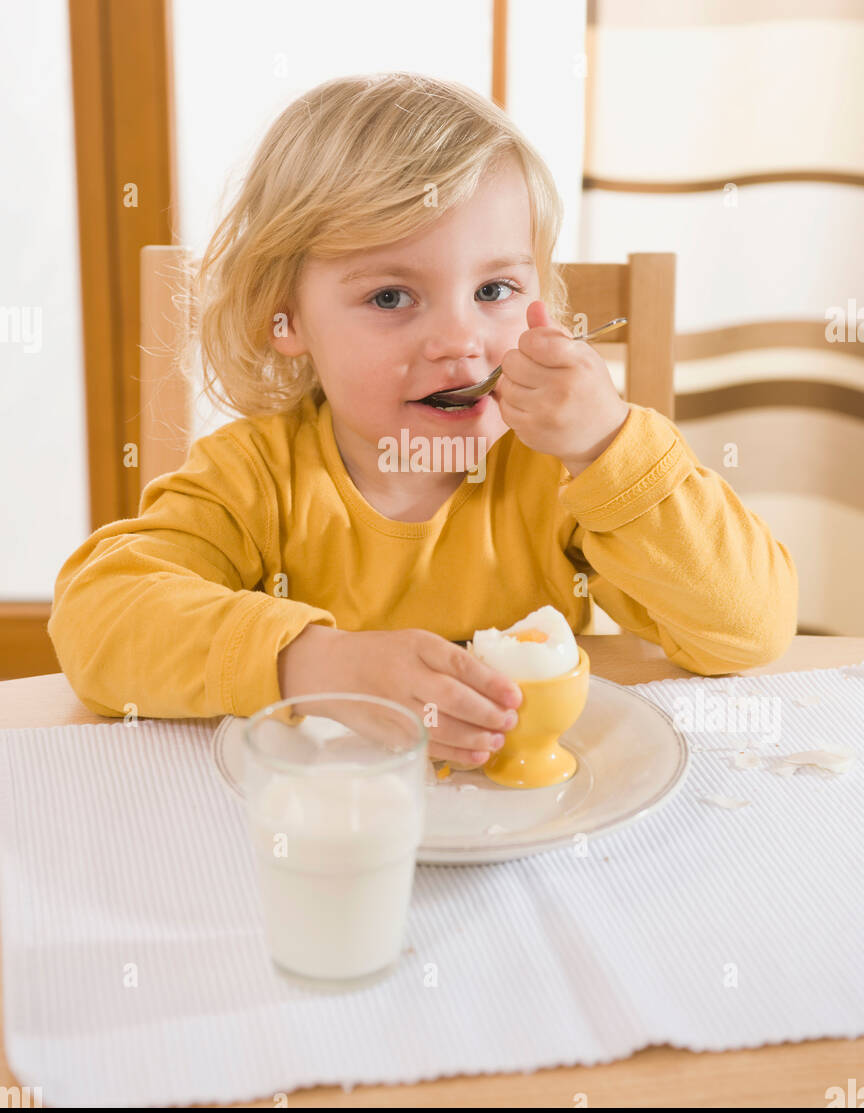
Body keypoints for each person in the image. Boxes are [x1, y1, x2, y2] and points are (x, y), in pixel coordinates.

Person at [48, 72, 798, 766]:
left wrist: (608, 446)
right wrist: (315, 664)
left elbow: (746, 630)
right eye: (391, 298)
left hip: (524, 825)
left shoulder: (563, 472)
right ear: (287, 320)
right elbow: (96, 619)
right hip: (332, 829)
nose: (460, 342)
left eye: (495, 289)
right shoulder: (256, 479)